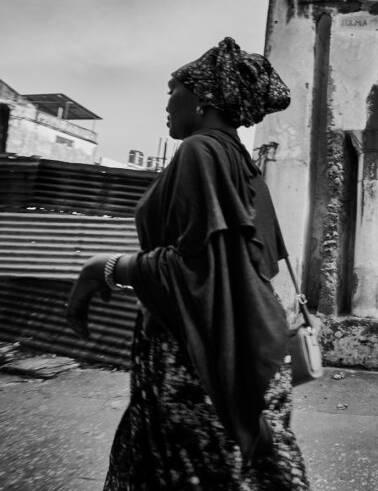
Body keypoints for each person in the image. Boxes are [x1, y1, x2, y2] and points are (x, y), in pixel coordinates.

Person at [65, 37, 310, 490]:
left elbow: (196, 270)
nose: (167, 100)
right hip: (238, 347)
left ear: (203, 100)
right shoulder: (242, 162)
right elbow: (259, 265)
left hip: (199, 361)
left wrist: (99, 267)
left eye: (173, 88)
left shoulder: (201, 151)